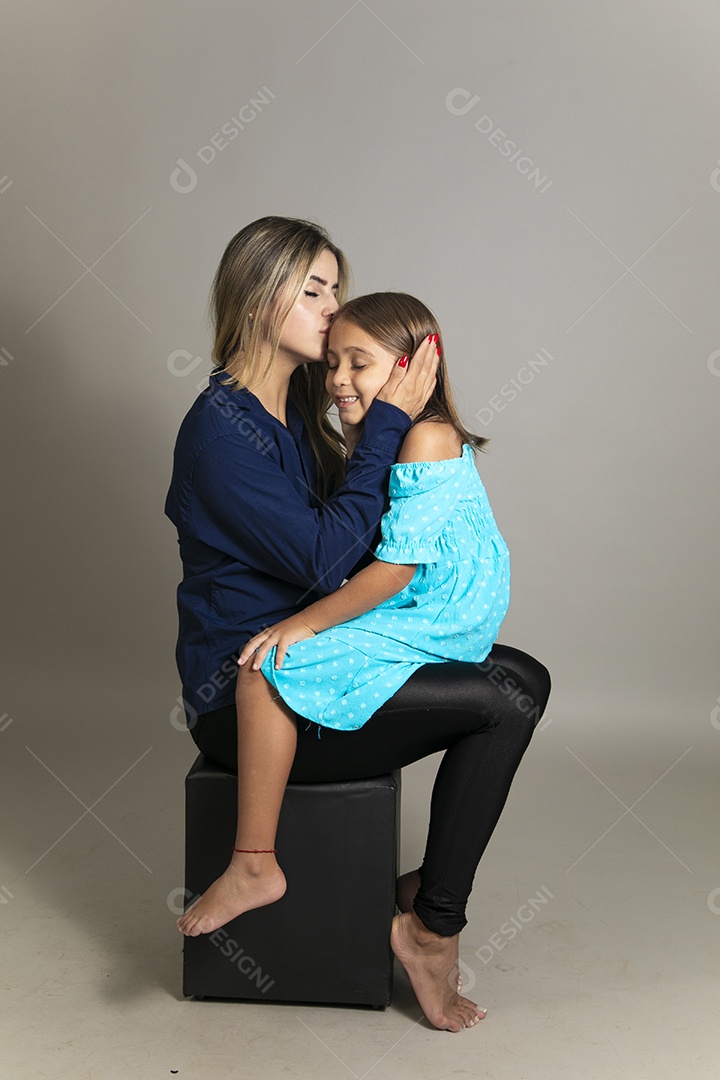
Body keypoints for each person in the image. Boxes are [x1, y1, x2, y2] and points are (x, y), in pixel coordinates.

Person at [166, 217, 551, 1033]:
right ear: (260, 296)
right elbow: (321, 560)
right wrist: (385, 429)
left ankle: (426, 905)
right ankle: (431, 929)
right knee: (508, 698)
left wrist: (427, 466)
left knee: (521, 678)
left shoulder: (299, 412)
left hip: (324, 658)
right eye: (314, 290)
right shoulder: (219, 431)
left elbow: (366, 548)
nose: (331, 307)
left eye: (335, 289)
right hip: (252, 692)